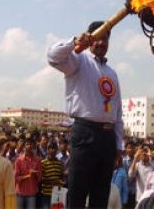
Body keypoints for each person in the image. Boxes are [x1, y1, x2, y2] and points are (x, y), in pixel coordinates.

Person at [47, 21, 124, 208]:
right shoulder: (78, 60)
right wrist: (74, 42)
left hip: (107, 137)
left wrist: (118, 145)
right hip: (85, 132)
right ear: (90, 39)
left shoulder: (112, 73)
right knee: (77, 191)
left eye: (105, 39)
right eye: (97, 38)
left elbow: (118, 113)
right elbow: (52, 57)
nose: (101, 43)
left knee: (101, 193)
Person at [15, 137, 42, 209]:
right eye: (27, 144)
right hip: (20, 193)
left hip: (31, 193)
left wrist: (36, 174)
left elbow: (39, 179)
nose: (29, 146)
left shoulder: (37, 160)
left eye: (31, 144)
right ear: (24, 146)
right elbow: (16, 179)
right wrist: (28, 176)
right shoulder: (19, 160)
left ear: (34, 146)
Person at [40, 141, 64, 209]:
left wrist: (61, 183)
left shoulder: (59, 163)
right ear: (47, 150)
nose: (52, 150)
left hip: (57, 194)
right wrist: (53, 182)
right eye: (49, 148)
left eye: (54, 148)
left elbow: (61, 177)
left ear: (57, 150)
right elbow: (41, 179)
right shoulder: (43, 163)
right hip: (46, 194)